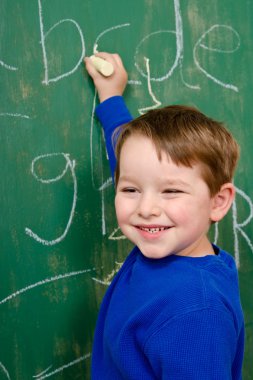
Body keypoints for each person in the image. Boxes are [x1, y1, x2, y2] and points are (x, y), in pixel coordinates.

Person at [84, 53, 244, 379]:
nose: (145, 208)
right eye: (130, 191)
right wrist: (111, 96)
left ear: (218, 201)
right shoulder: (169, 235)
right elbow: (131, 166)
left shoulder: (195, 313)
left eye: (171, 191)